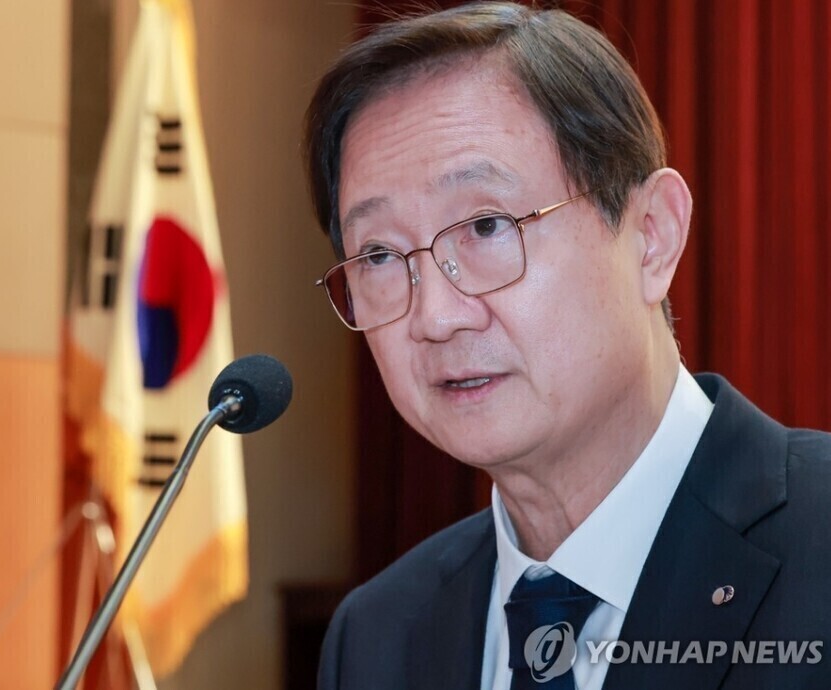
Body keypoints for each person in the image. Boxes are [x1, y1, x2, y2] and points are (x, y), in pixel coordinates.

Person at [303, 3, 831, 689]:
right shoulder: (376, 638)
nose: (435, 316)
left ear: (651, 236)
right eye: (378, 254)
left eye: (486, 227)